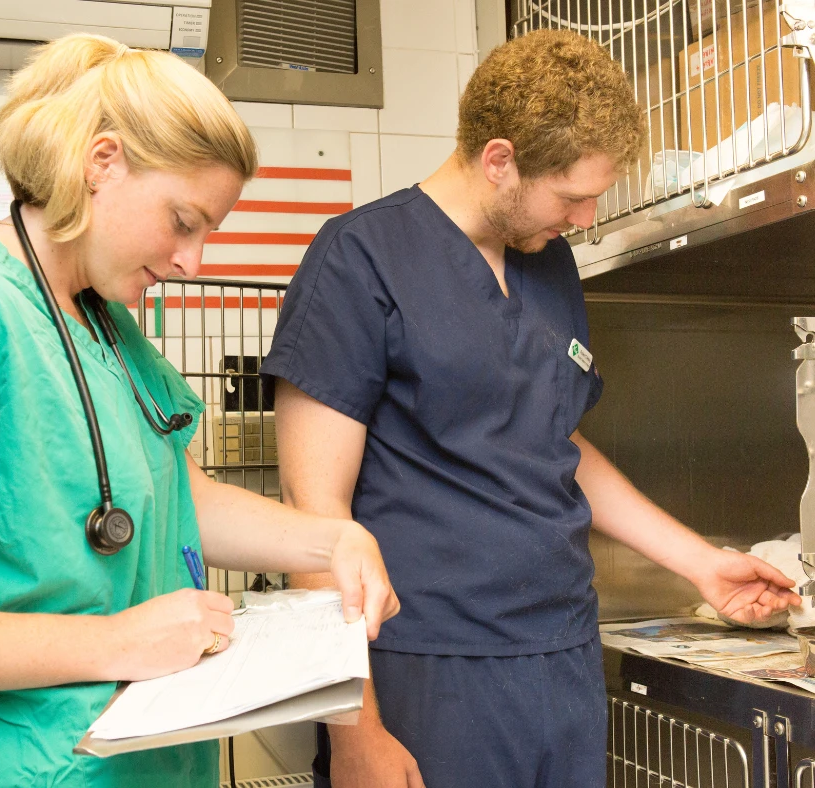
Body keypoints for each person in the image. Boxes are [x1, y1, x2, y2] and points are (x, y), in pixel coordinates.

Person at [260, 29, 801, 788]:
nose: (583, 220)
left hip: (561, 658)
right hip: (431, 667)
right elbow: (310, 513)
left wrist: (700, 564)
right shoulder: (358, 261)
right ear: (500, 161)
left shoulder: (548, 265)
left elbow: (556, 444)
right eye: (574, 197)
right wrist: (357, 731)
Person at [0, 34, 398, 788]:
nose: (194, 261)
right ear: (102, 163)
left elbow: (176, 497)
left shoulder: (106, 322)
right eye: (184, 221)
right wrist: (113, 643)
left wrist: (329, 541)